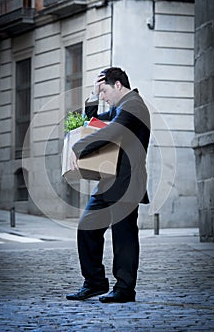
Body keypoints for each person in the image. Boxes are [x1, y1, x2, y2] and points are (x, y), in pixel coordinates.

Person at [66, 67, 150, 303]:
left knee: (124, 237)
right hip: (108, 181)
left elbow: (113, 131)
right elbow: (89, 123)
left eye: (103, 91)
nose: (103, 97)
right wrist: (92, 96)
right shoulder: (117, 108)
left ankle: (124, 290)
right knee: (87, 227)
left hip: (127, 181)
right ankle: (94, 283)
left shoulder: (134, 105)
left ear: (118, 86)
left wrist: (78, 148)